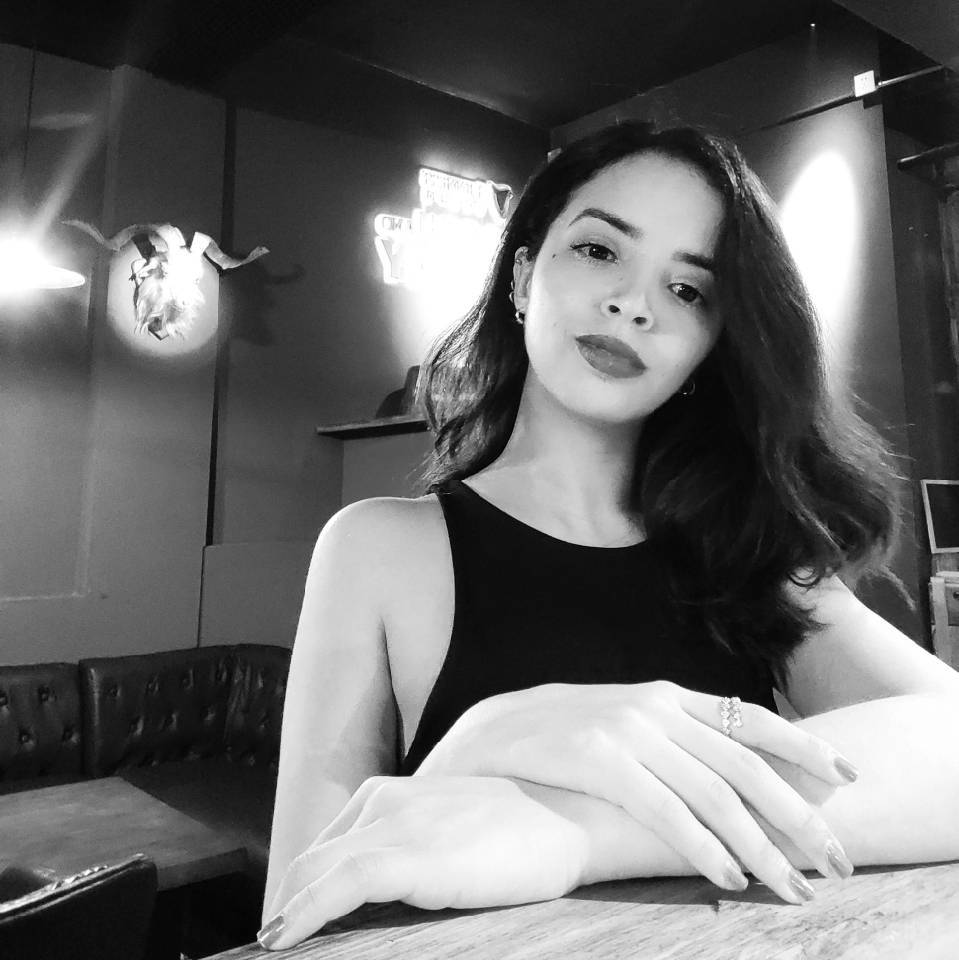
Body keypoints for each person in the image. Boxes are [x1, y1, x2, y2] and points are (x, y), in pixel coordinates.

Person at [257, 122, 959, 951]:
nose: (634, 304)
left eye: (687, 290)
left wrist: (573, 828)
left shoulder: (748, 556)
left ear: (708, 347)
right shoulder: (375, 548)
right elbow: (296, 910)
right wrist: (474, 744)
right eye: (598, 251)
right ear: (523, 275)